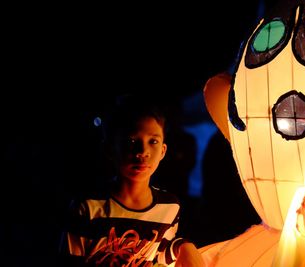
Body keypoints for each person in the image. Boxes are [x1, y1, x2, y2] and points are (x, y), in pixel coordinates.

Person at [58, 94, 205, 267]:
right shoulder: (88, 207)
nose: (142, 151)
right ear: (110, 149)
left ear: (163, 151)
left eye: (153, 141)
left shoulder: (169, 207)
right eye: (132, 141)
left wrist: (184, 246)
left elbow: (160, 254)